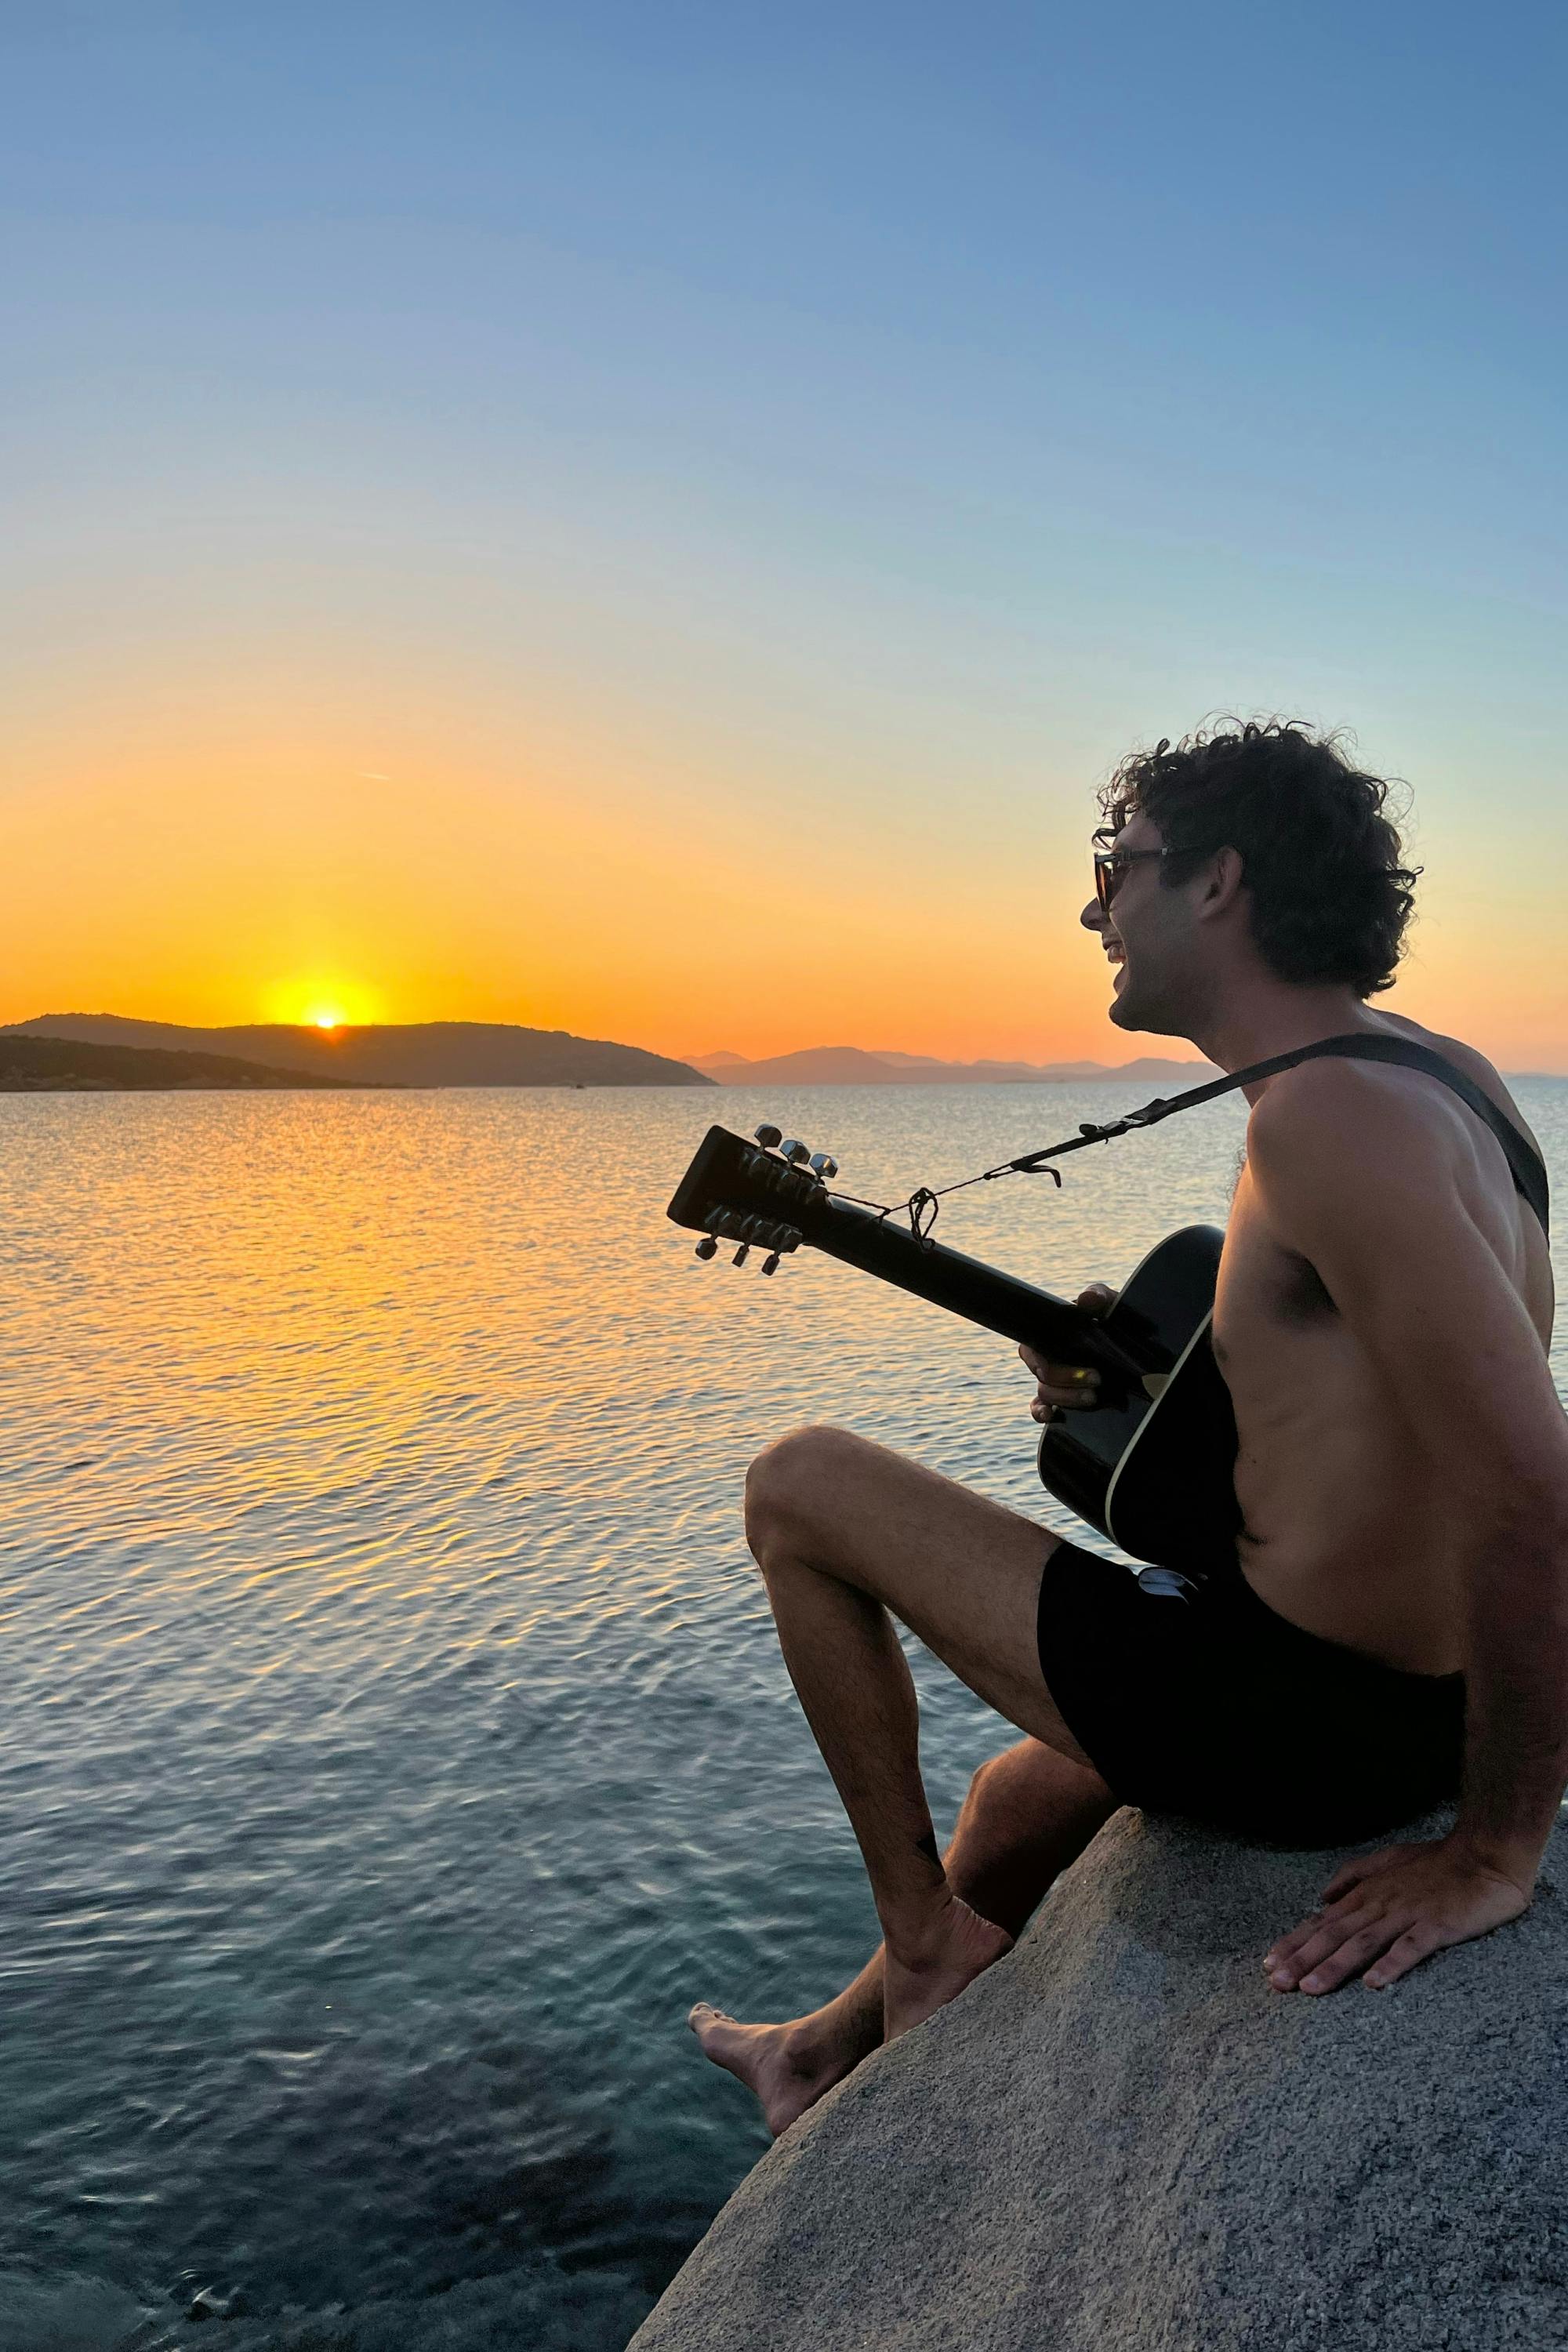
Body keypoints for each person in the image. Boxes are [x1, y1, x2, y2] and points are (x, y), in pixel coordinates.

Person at [689, 718, 1568, 2140]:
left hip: (1307, 1720)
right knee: (1014, 1802)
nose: (1094, 906)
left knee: (799, 1484)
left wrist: (1496, 1849)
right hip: (1392, 1696)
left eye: (1119, 867)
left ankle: (925, 1953)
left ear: (1219, 883)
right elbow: (1376, 1423)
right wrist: (1158, 1391)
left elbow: (1536, 1491)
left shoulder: (1329, 1120)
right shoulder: (1435, 1075)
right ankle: (816, 2053)